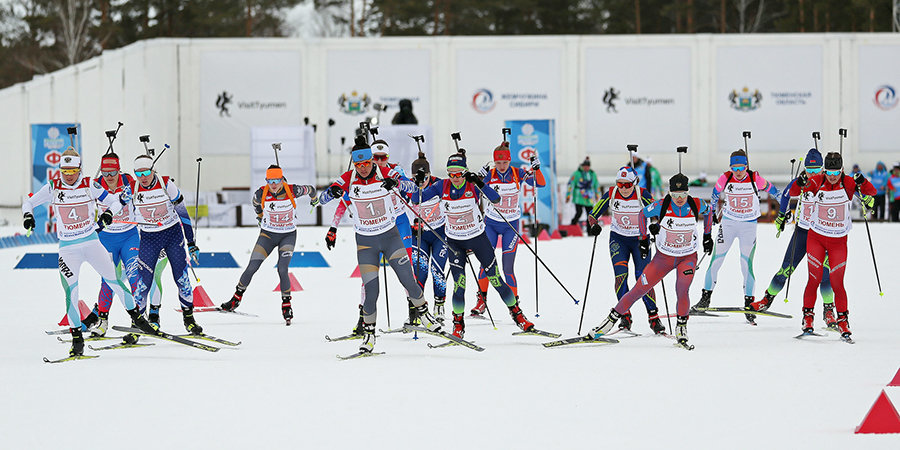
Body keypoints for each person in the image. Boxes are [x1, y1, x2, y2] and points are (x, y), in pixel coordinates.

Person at [22, 148, 156, 357]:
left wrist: (108, 214)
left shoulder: (89, 185)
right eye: (64, 171)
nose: (68, 176)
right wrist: (28, 216)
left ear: (79, 169)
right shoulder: (53, 187)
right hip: (68, 249)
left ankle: (138, 319)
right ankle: (77, 339)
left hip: (92, 244)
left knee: (115, 281)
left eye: (72, 171)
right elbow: (28, 201)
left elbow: (113, 200)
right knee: (71, 292)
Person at [314, 141, 441, 354]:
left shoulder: (385, 171)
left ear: (372, 160)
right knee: (371, 290)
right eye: (358, 164)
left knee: (408, 279)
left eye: (366, 162)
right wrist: (333, 192)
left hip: (390, 236)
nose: (363, 167)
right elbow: (322, 199)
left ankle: (424, 314)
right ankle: (369, 336)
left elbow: (411, 186)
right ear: (354, 163)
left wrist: (396, 183)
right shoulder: (349, 178)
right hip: (366, 243)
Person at [414, 150, 536, 340]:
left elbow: (496, 199)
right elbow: (416, 199)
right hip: (454, 243)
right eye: (451, 173)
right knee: (459, 285)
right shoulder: (441, 186)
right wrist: (419, 184)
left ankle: (517, 315)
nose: (454, 178)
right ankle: (458, 324)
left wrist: (479, 182)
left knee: (496, 280)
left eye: (458, 174)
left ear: (465, 172)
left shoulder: (472, 184)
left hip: (478, 240)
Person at [588, 173, 712, 348]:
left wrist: (708, 236)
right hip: (664, 258)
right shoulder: (662, 205)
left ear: (688, 192)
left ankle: (681, 327)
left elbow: (709, 211)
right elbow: (641, 214)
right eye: (675, 195)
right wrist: (643, 238)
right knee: (639, 288)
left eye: (683, 194)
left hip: (687, 257)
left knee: (682, 289)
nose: (679, 199)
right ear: (669, 193)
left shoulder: (695, 203)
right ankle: (609, 321)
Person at [787, 152, 876, 339]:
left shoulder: (848, 183)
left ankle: (843, 321)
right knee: (814, 279)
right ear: (824, 170)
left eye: (836, 172)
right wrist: (800, 183)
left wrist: (863, 182)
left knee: (837, 283)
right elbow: (794, 193)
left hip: (838, 242)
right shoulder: (817, 180)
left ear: (842, 170)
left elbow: (872, 193)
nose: (832, 176)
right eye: (829, 171)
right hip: (816, 238)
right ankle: (808, 317)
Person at [79, 153, 166, 336]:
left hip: (129, 237)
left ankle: (138, 321)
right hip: (107, 239)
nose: (109, 177)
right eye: (105, 172)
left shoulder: (130, 182)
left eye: (113, 172)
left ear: (119, 170)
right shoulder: (96, 185)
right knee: (108, 280)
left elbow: (151, 194)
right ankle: (102, 320)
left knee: (135, 277)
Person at [748, 149, 835, 327]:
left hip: (822, 235)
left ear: (822, 168)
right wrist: (782, 215)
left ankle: (829, 311)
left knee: (824, 275)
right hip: (802, 233)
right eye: (809, 170)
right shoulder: (801, 182)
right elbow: (786, 195)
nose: (812, 173)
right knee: (785, 270)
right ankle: (766, 300)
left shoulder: (829, 182)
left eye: (816, 169)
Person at [220, 165, 316, 325]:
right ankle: (235, 299)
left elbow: (311, 189)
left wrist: (314, 199)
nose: (273, 185)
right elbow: (255, 203)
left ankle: (286, 305)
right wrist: (260, 217)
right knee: (252, 267)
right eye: (270, 181)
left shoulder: (293, 190)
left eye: (276, 180)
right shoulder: (261, 193)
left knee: (282, 268)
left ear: (282, 180)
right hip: (268, 235)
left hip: (288, 235)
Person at [693, 149, 780, 325]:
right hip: (729, 224)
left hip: (748, 225)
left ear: (746, 166)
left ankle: (749, 304)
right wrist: (714, 212)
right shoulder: (725, 178)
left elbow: (774, 190)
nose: (738, 172)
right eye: (734, 168)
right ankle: (705, 299)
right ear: (730, 167)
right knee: (716, 260)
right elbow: (714, 195)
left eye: (741, 167)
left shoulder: (755, 178)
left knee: (746, 264)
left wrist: (782, 205)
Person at [129, 154, 204, 335]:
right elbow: (118, 205)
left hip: (172, 235)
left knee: (182, 278)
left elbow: (183, 214)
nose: (143, 177)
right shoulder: (132, 187)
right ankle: (138, 324)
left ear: (153, 170)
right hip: (148, 238)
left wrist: (191, 242)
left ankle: (189, 319)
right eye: (138, 173)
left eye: (146, 172)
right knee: (143, 283)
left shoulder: (165, 184)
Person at [586, 166, 664, 334]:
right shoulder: (612, 193)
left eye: (627, 185)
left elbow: (659, 212)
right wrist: (593, 225)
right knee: (621, 276)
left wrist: (655, 225)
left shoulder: (642, 193)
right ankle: (625, 315)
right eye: (620, 184)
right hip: (618, 239)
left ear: (634, 182)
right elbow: (593, 214)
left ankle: (653, 317)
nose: (623, 189)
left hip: (639, 239)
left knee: (642, 277)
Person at [470, 141, 545, 317]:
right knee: (485, 265)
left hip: (511, 225)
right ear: (494, 162)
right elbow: (472, 192)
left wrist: (536, 169)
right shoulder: (490, 174)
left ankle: (514, 305)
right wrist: (478, 179)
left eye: (504, 163)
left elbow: (540, 184)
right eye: (498, 163)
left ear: (510, 161)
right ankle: (481, 300)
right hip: (491, 225)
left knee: (507, 268)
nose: (501, 166)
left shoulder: (517, 173)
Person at [406, 152, 449, 321]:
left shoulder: (439, 184)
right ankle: (417, 311)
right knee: (420, 272)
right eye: (417, 176)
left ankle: (439, 306)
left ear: (430, 174)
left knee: (437, 270)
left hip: (440, 233)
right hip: (420, 235)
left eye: (424, 176)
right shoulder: (409, 186)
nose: (421, 180)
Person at [566, 157, 599, 227]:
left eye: (588, 166)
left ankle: (590, 230)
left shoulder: (592, 174)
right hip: (578, 197)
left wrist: (597, 195)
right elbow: (570, 184)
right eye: (585, 166)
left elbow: (596, 185)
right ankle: (573, 225)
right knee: (579, 212)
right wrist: (568, 195)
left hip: (588, 197)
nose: (586, 168)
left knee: (590, 214)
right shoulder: (577, 173)